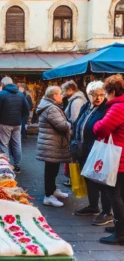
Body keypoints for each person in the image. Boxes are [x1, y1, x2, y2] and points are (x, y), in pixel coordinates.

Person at [71, 81, 113, 225]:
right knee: (89, 178)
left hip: (98, 150)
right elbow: (78, 124)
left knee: (101, 181)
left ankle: (107, 212)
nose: (98, 98)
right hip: (83, 148)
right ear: (89, 95)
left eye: (101, 95)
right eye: (95, 95)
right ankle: (93, 206)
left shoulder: (106, 109)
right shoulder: (85, 106)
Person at [93, 74, 124, 245]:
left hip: (118, 158)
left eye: (105, 92)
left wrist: (97, 123)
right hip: (120, 155)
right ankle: (120, 227)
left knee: (115, 194)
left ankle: (120, 233)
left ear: (111, 91)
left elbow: (101, 129)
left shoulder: (118, 107)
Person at [36, 86, 71, 207]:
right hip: (51, 143)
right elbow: (62, 126)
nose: (62, 96)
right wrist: (70, 124)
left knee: (53, 168)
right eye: (60, 94)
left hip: (51, 142)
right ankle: (48, 195)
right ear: (54, 96)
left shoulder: (48, 106)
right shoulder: (51, 109)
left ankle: (53, 190)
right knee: (51, 170)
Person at [0, 77, 29, 173]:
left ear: (3, 84)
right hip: (17, 123)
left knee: (4, 145)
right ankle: (17, 166)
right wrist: (21, 119)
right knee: (17, 144)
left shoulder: (0, 94)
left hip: (4, 123)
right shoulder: (21, 94)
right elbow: (26, 109)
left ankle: (6, 166)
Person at [61, 80, 87, 187]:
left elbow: (75, 119)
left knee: (73, 158)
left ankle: (74, 180)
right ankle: (74, 179)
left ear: (70, 90)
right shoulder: (75, 99)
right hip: (75, 134)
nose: (63, 93)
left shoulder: (76, 101)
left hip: (75, 134)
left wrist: (69, 130)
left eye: (64, 91)